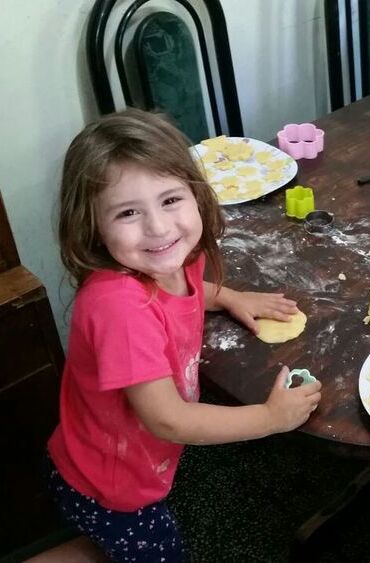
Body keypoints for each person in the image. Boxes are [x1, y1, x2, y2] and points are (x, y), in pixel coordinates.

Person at [43, 109, 322, 562]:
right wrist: (270, 419)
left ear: (196, 195)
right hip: (114, 484)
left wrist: (227, 296)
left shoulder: (171, 259)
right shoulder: (119, 309)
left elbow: (187, 291)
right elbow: (168, 419)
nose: (158, 228)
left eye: (170, 200)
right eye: (128, 212)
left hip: (103, 456)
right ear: (92, 225)